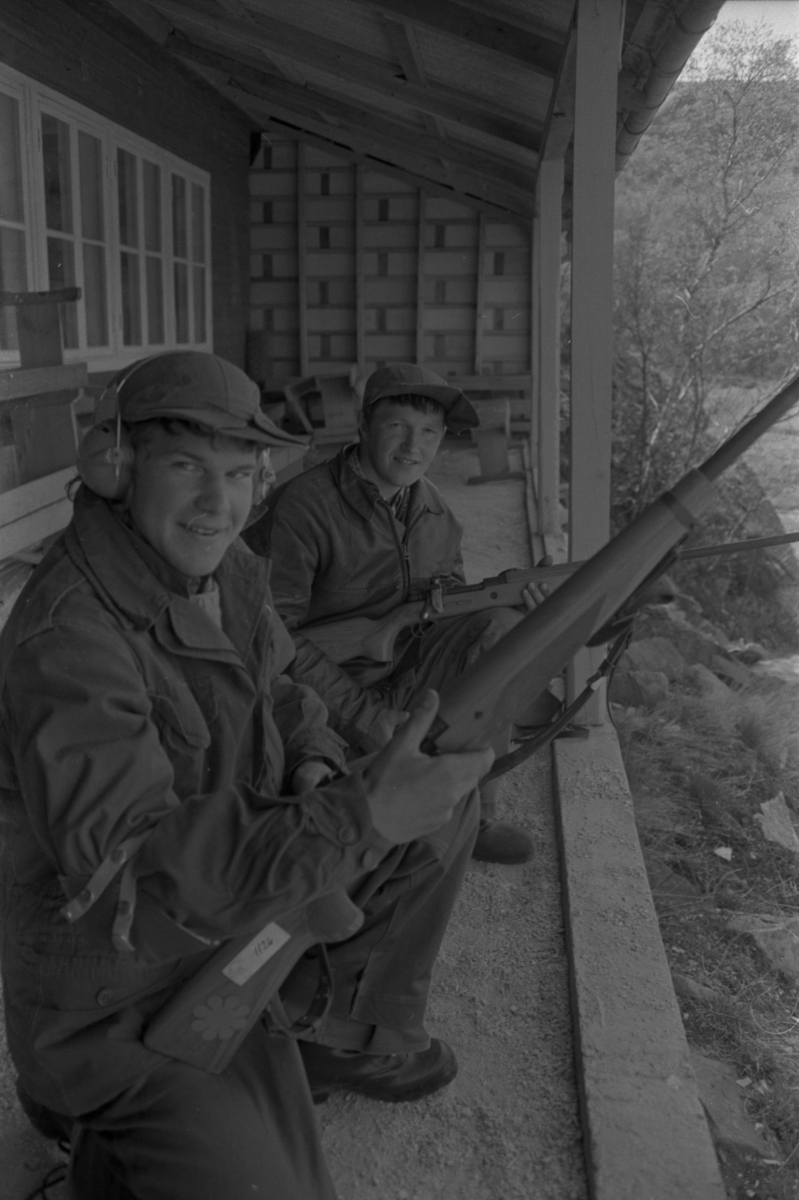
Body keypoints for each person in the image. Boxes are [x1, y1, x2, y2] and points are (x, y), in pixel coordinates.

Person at [0, 351, 493, 1200]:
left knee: (441, 816)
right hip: (118, 999)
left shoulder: (223, 570)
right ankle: (87, 1123)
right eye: (187, 467)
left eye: (236, 473)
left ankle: (320, 1025)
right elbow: (140, 871)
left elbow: (284, 684)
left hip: (227, 935)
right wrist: (354, 820)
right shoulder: (68, 643)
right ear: (115, 466)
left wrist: (314, 763)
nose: (215, 502)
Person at [244, 362, 540, 865]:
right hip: (320, 694)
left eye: (429, 432)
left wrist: (515, 604)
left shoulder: (438, 513)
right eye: (397, 427)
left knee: (503, 634)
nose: (412, 447)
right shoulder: (303, 507)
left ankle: (474, 811)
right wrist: (366, 717)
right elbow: (271, 635)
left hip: (403, 675)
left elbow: (452, 615)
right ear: (363, 427)